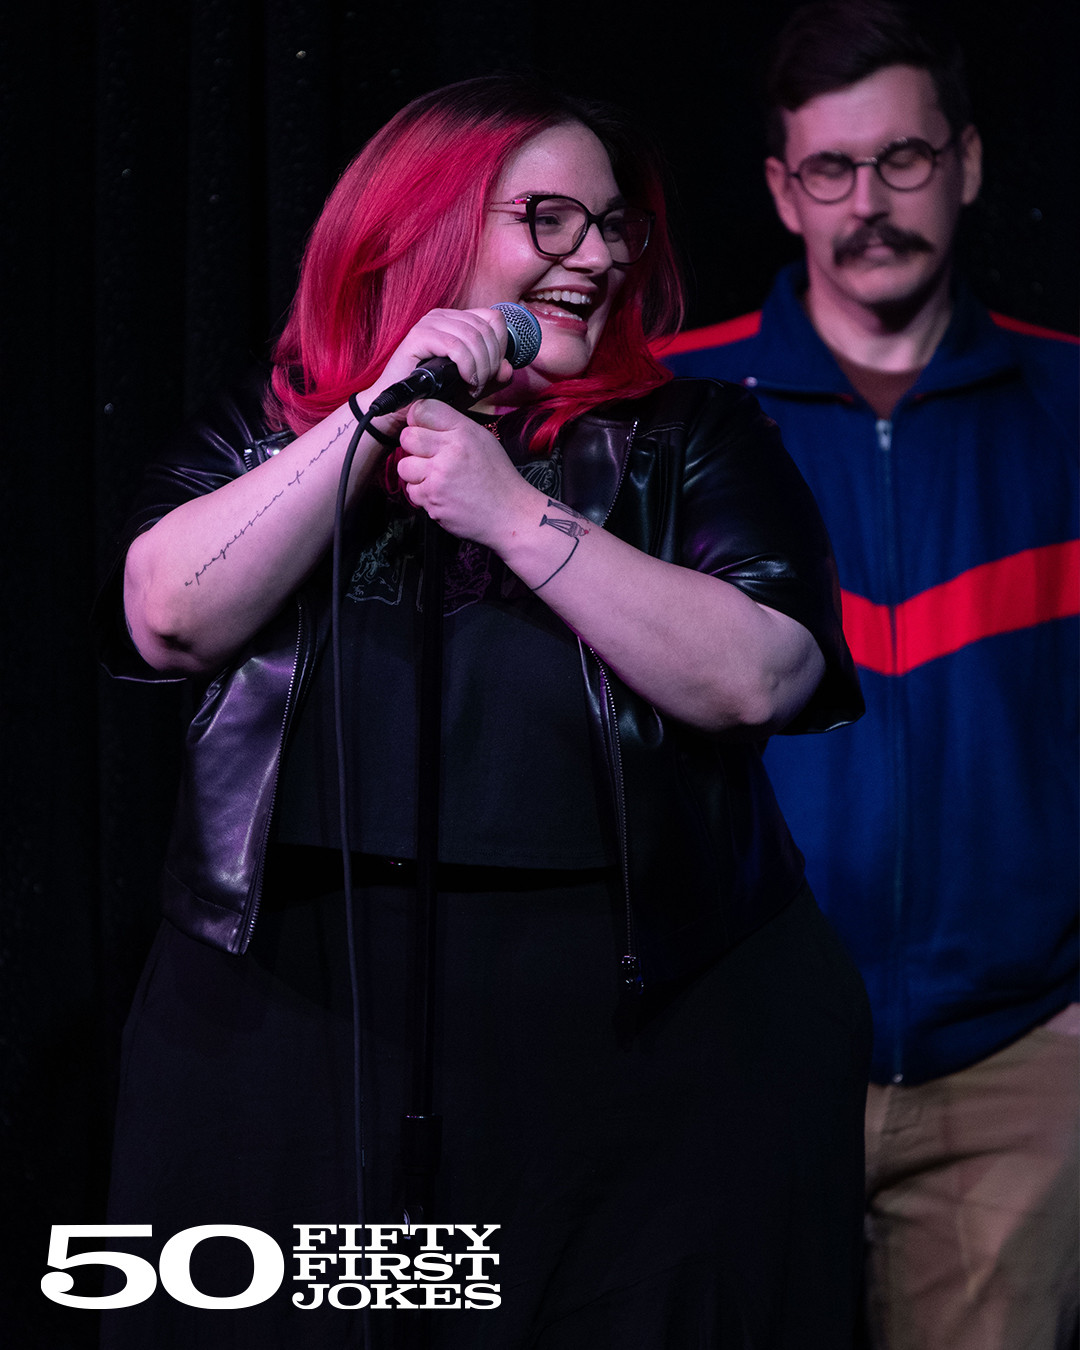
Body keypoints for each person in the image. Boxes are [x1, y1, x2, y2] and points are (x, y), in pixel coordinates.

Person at [95, 75, 868, 1348]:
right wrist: (377, 413)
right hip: (300, 1023)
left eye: (614, 226)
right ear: (423, 228)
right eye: (549, 219)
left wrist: (512, 511)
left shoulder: (691, 434)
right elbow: (170, 615)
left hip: (642, 1040)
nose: (599, 258)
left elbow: (762, 676)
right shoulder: (279, 425)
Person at [661, 5, 1079, 1348]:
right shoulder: (673, 410)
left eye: (903, 158)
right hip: (730, 1052)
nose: (869, 204)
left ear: (968, 163)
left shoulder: (1070, 404)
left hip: (1017, 1061)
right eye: (831, 169)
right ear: (783, 191)